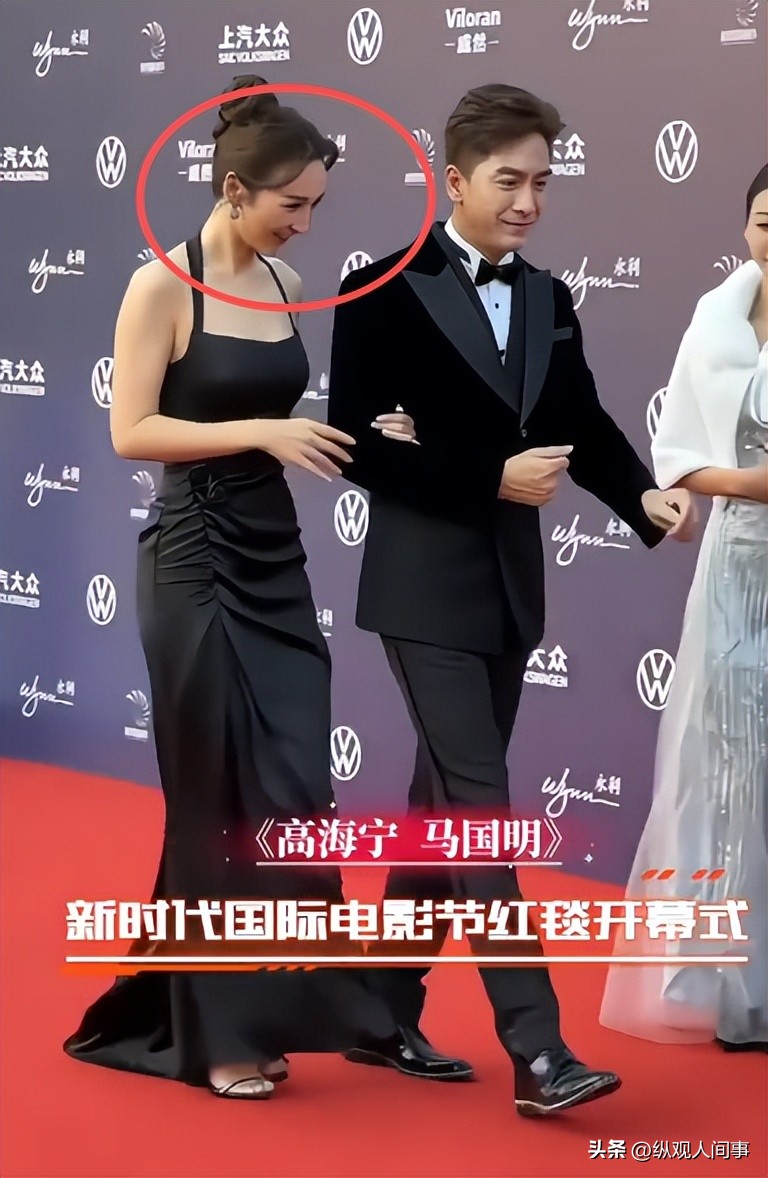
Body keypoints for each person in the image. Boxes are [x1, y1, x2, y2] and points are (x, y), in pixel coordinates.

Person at [327, 83, 695, 1116]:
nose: (529, 201)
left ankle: (379, 1010)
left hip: (508, 591)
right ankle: (540, 1051)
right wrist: (487, 474)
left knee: (441, 807)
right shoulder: (378, 287)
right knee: (479, 811)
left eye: (542, 182)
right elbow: (359, 446)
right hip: (421, 588)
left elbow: (583, 420)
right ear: (454, 179)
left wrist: (642, 498)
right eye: (509, 181)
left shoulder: (548, 296)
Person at [63, 76, 416, 1100]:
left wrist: (370, 434)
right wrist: (263, 429)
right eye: (290, 203)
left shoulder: (282, 279)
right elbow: (132, 429)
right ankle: (217, 1030)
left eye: (314, 204)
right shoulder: (161, 287)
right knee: (215, 795)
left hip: (274, 558)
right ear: (232, 189)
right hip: (194, 560)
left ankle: (270, 1004)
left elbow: (288, 419)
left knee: (293, 788)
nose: (303, 223)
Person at [599, 166, 768, 1053]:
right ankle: (734, 988)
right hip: (737, 565)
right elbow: (678, 458)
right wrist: (751, 485)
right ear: (745, 226)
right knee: (729, 766)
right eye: (766, 220)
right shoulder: (714, 321)